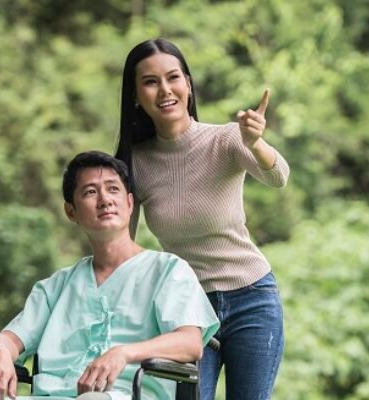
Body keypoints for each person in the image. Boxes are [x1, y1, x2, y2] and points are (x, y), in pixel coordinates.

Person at [0, 151, 220, 400]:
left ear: (129, 203)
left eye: (113, 189)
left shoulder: (168, 271)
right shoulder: (55, 287)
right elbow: (8, 339)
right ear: (71, 212)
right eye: (90, 192)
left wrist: (124, 353)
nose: (105, 200)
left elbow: (190, 342)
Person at [114, 38, 290, 400]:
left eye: (173, 77)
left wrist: (256, 142)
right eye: (150, 82)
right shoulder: (135, 162)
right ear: (135, 96)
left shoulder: (227, 139)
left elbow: (279, 177)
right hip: (186, 312)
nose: (165, 90)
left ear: (188, 85)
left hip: (252, 299)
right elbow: (121, 248)